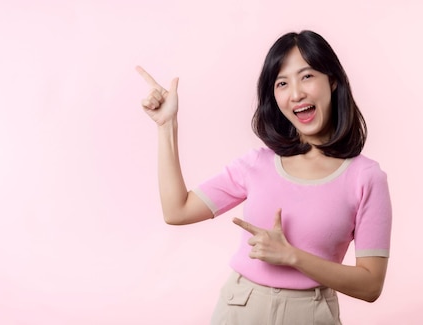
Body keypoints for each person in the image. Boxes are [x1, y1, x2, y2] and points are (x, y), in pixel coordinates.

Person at [136, 30, 392, 325]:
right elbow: (177, 210)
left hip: (311, 314)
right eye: (282, 83)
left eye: (307, 76)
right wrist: (166, 125)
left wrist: (291, 256)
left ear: (332, 81)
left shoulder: (366, 177)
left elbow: (371, 285)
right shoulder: (257, 163)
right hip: (239, 308)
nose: (296, 93)